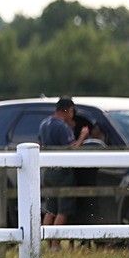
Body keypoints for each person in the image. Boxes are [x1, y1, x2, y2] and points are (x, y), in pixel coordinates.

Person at [39, 96, 91, 240]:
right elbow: (71, 150)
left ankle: (46, 242)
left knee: (50, 210)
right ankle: (56, 243)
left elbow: (40, 143)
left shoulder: (44, 124)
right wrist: (82, 136)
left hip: (48, 171)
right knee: (63, 210)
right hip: (62, 173)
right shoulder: (62, 126)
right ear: (68, 110)